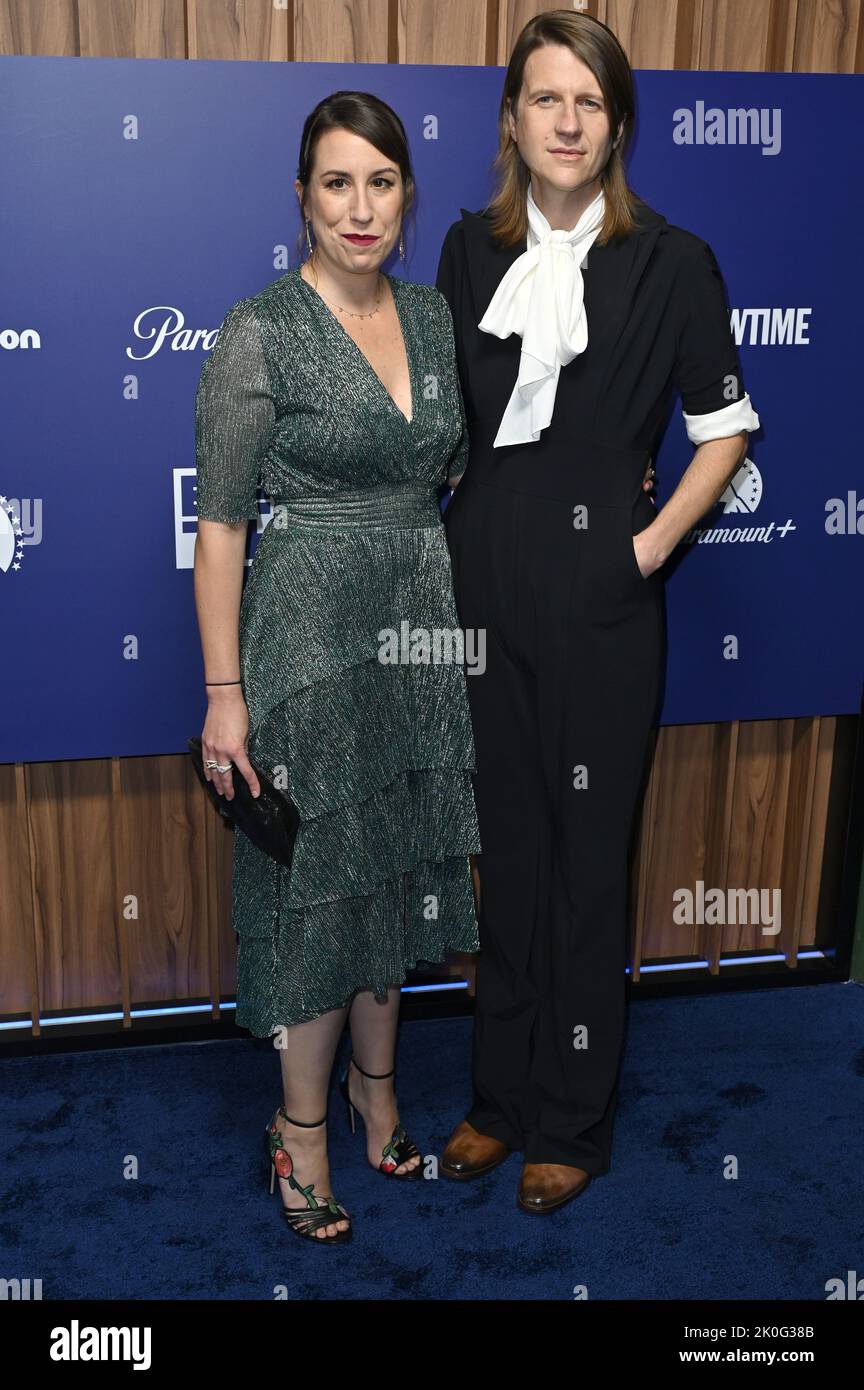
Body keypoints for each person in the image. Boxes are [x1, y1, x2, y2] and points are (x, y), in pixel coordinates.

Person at [435, 10, 760, 1214]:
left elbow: (724, 433)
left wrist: (643, 552)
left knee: (583, 862)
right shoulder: (471, 251)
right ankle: (498, 1100)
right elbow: (456, 429)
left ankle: (570, 1116)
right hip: (484, 583)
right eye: (543, 98)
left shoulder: (674, 258)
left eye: (589, 101)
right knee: (506, 856)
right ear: (512, 118)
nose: (566, 122)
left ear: (617, 123)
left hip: (606, 601)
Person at [192, 91, 482, 1244]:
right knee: (318, 896)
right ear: (302, 200)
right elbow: (220, 527)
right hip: (305, 637)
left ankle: (379, 1100)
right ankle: (300, 1136)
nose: (360, 207)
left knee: (392, 872)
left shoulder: (433, 317)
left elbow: (452, 471)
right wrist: (226, 696)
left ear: (407, 198)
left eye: (381, 181)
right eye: (335, 183)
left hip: (415, 627)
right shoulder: (258, 328)